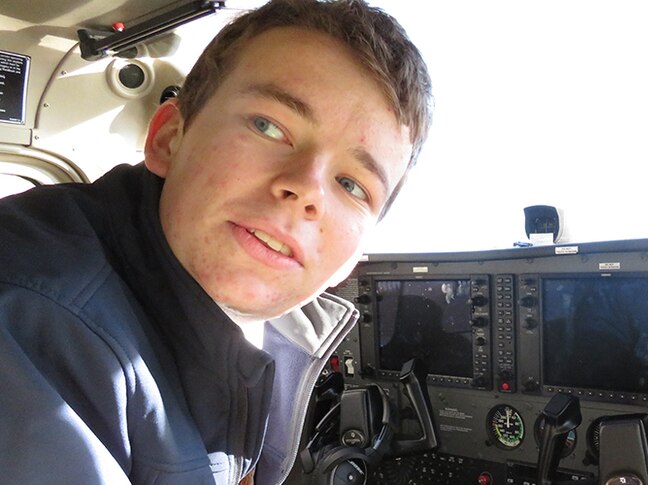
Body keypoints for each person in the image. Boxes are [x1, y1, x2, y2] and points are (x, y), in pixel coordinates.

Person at [0, 0, 432, 483]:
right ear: (169, 138)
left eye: (352, 185)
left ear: (351, 260)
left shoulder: (272, 335)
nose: (306, 188)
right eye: (269, 126)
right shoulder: (32, 321)